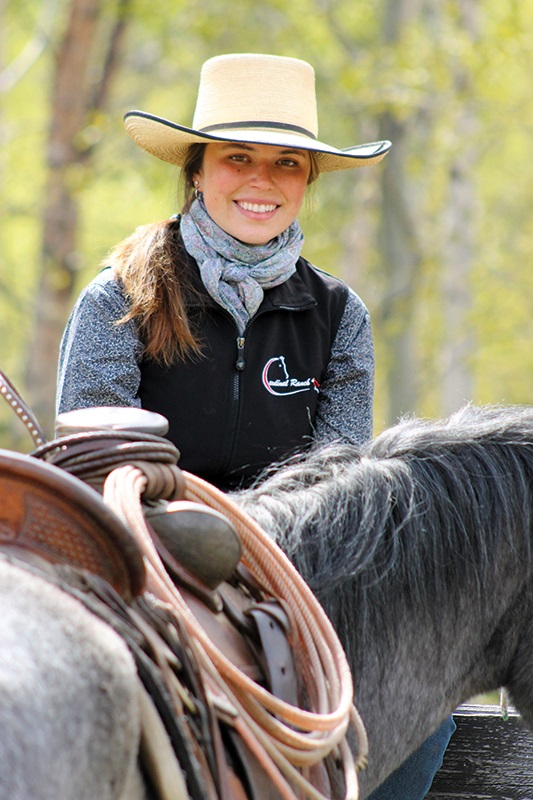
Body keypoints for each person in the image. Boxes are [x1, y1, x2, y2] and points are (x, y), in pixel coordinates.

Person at [56, 52, 453, 796]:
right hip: (151, 565)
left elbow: (341, 486)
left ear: (306, 182)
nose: (261, 180)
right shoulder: (120, 297)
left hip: (290, 572)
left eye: (286, 164)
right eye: (238, 157)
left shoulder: (338, 316)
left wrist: (270, 557)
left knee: (425, 719)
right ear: (199, 171)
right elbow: (92, 464)